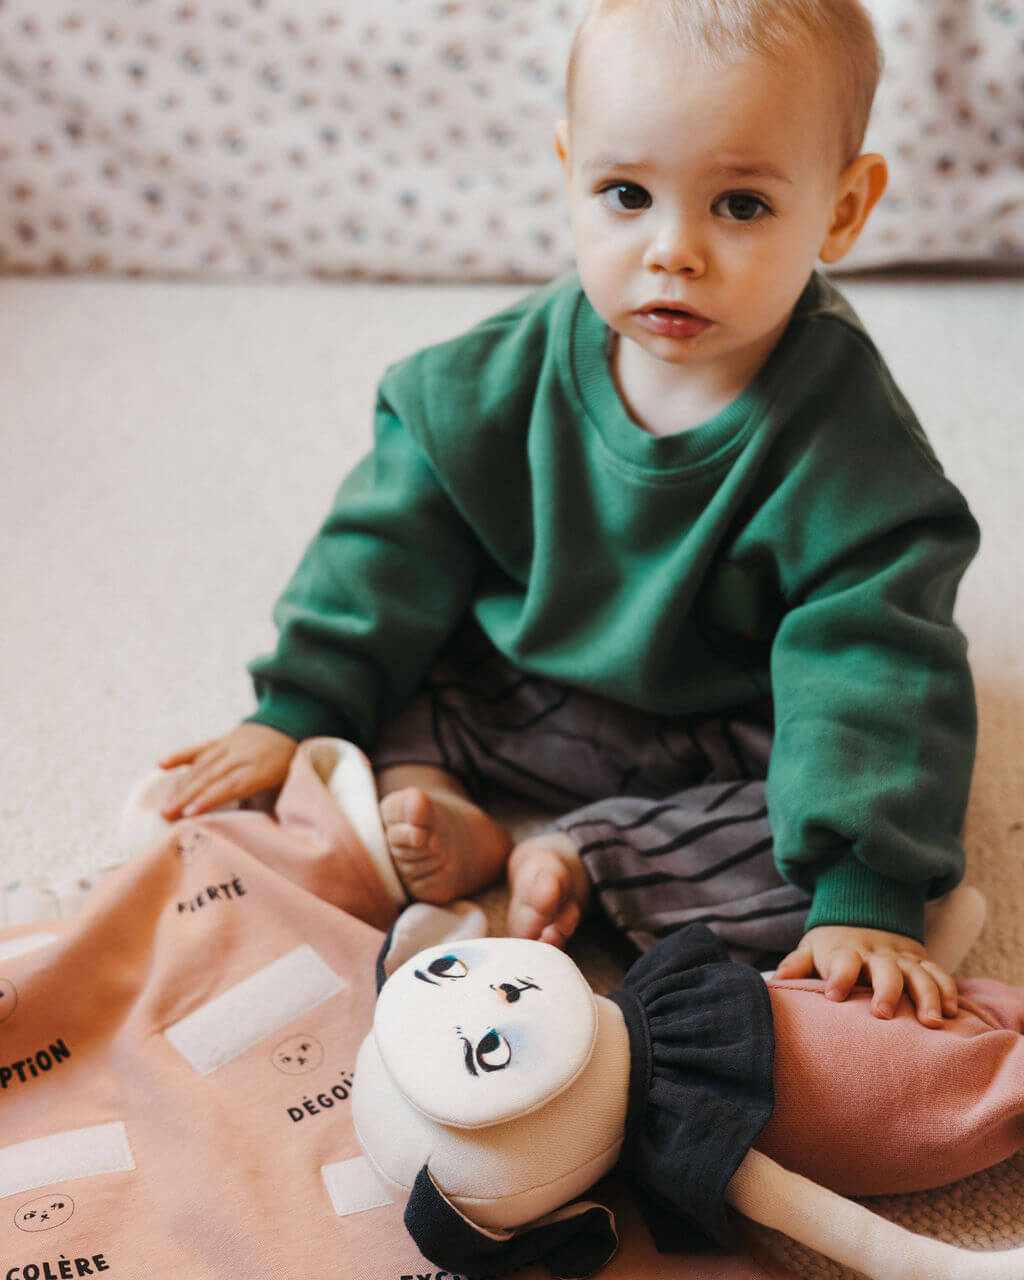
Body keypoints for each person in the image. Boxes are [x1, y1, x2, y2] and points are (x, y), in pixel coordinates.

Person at [158, 0, 979, 1028]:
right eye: (626, 194)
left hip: (718, 721)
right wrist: (295, 708)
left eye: (740, 205)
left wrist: (864, 890)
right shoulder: (495, 377)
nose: (673, 250)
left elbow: (873, 663)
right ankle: (438, 799)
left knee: (861, 850)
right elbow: (384, 547)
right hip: (522, 679)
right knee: (390, 688)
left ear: (843, 210)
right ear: (569, 170)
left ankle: (588, 853)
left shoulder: (850, 447)